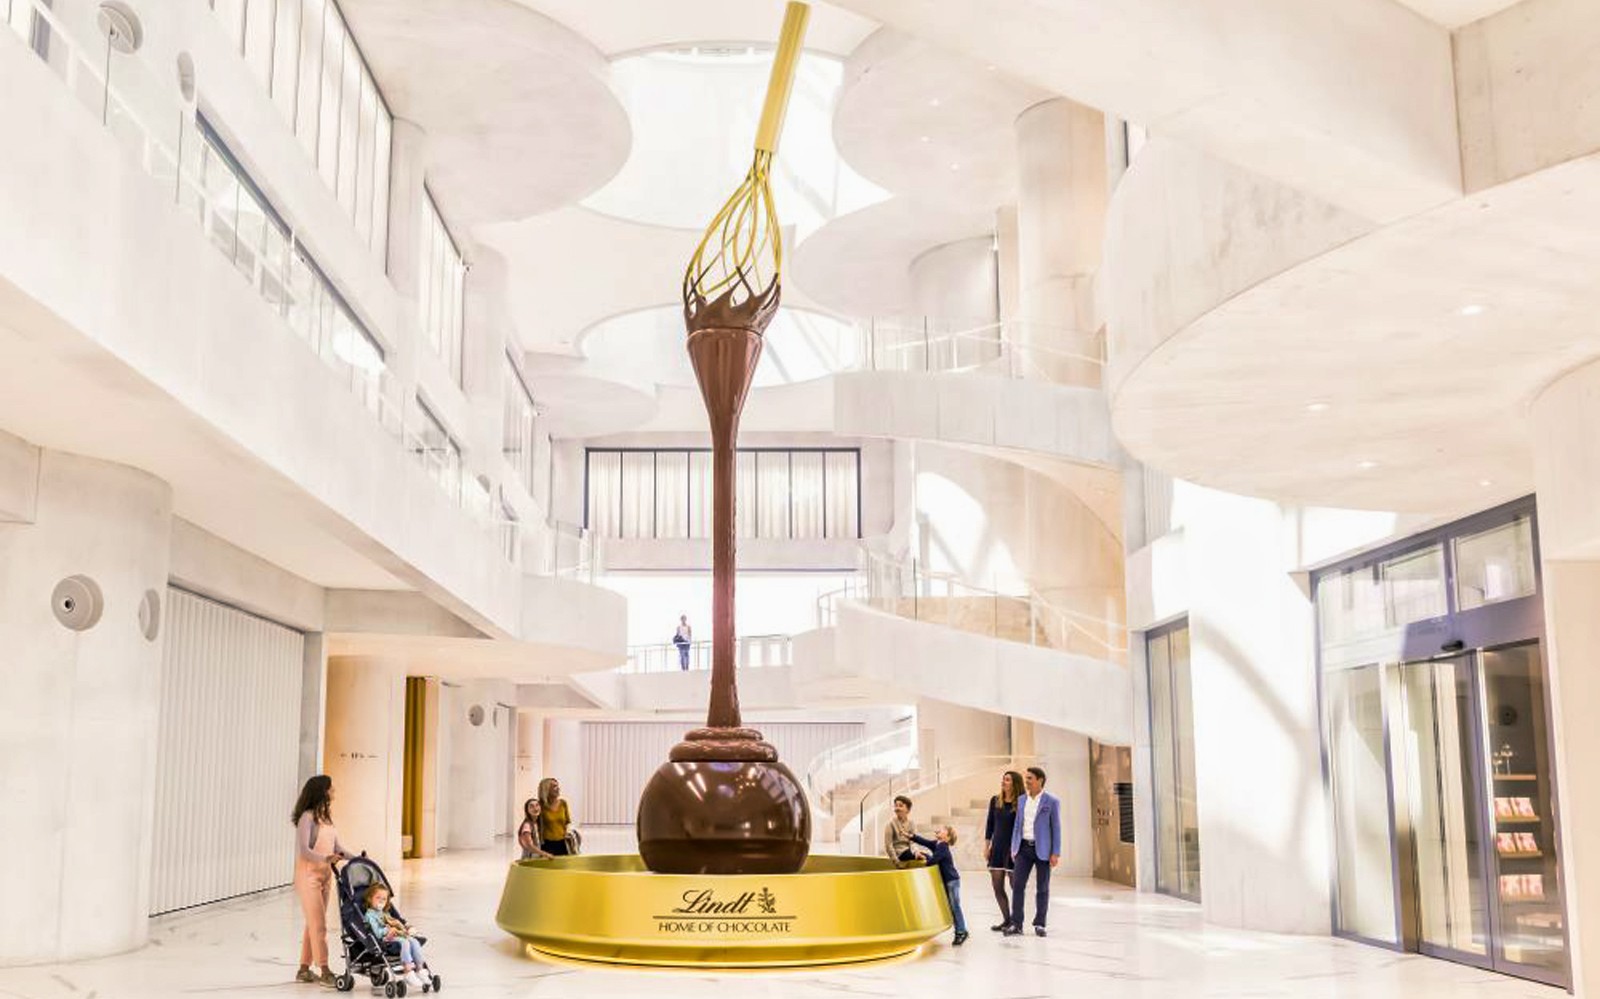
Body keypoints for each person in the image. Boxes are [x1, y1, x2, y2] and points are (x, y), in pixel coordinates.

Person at [291, 775, 352, 987]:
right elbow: (305, 850)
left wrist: (359, 858)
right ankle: (325, 970)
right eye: (330, 787)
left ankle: (304, 969)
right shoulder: (307, 818)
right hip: (308, 876)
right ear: (322, 791)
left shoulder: (327, 818)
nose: (334, 790)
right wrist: (325, 858)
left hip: (326, 876)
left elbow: (338, 849)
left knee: (313, 923)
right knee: (319, 925)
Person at [1005, 766, 1061, 937]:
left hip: (1043, 850)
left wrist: (1055, 853)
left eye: (1029, 778)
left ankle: (1040, 924)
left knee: (1042, 887)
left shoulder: (1051, 801)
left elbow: (1056, 828)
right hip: (1023, 848)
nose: (1026, 781)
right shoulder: (1022, 800)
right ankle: (1016, 924)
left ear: (1040, 780)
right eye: (1026, 778)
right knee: (1018, 886)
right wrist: (1014, 847)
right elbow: (1017, 825)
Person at [363, 883, 431, 989]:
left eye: (384, 899)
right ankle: (408, 971)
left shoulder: (384, 913)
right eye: (378, 898)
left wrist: (402, 929)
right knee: (405, 942)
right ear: (370, 899)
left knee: (413, 941)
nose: (381, 901)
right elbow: (376, 932)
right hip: (384, 940)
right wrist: (388, 930)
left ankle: (420, 969)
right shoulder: (370, 915)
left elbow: (393, 922)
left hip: (395, 935)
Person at [910, 826, 968, 946]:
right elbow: (924, 842)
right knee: (953, 906)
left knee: (955, 906)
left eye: (942, 830)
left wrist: (924, 858)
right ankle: (961, 929)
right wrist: (912, 837)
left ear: (947, 837)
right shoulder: (937, 844)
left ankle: (961, 932)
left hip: (952, 881)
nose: (939, 830)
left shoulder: (942, 846)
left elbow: (933, 860)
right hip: (950, 881)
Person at [984, 770, 1024, 932]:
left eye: (1007, 780)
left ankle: (1017, 922)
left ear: (1014, 783)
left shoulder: (1022, 803)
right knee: (997, 886)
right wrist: (987, 846)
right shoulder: (995, 800)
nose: (1003, 782)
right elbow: (990, 825)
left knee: (1016, 887)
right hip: (997, 848)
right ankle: (1006, 920)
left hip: (1014, 849)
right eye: (1003, 779)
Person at [883, 794, 927, 867]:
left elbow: (913, 842)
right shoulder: (890, 824)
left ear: (908, 810)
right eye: (896, 805)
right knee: (926, 857)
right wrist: (897, 862)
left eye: (900, 806)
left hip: (909, 852)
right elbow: (888, 846)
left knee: (927, 856)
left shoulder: (911, 823)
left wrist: (916, 852)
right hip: (899, 854)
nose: (897, 808)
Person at [538, 777, 574, 856]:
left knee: (564, 867)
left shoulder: (563, 803)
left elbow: (568, 822)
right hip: (547, 844)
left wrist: (568, 832)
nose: (558, 789)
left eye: (557, 786)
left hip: (563, 842)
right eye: (554, 786)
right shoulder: (540, 805)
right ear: (546, 789)